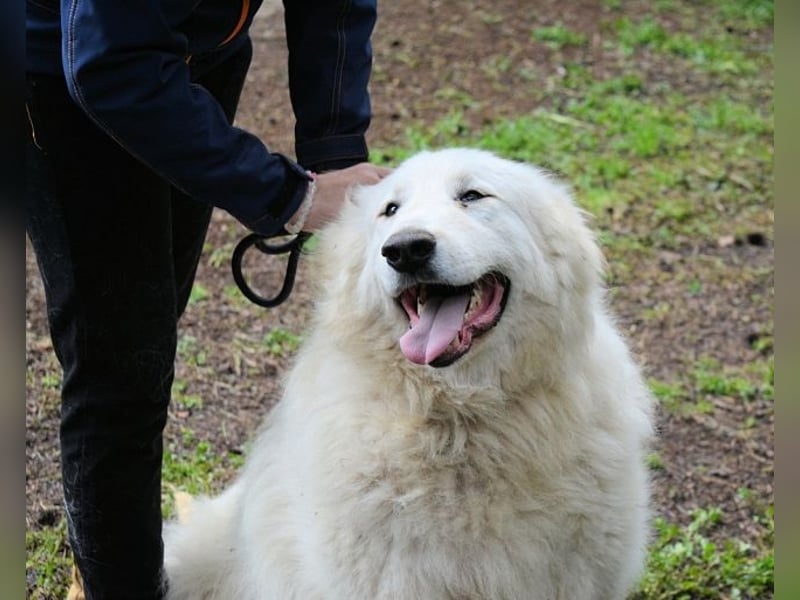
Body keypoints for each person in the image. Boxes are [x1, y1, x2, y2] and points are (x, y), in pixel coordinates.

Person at [25, 0, 388, 598]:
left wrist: (335, 148)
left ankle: (110, 553)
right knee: (118, 368)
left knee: (147, 324)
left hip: (193, 52)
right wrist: (290, 196)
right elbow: (111, 65)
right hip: (67, 71)